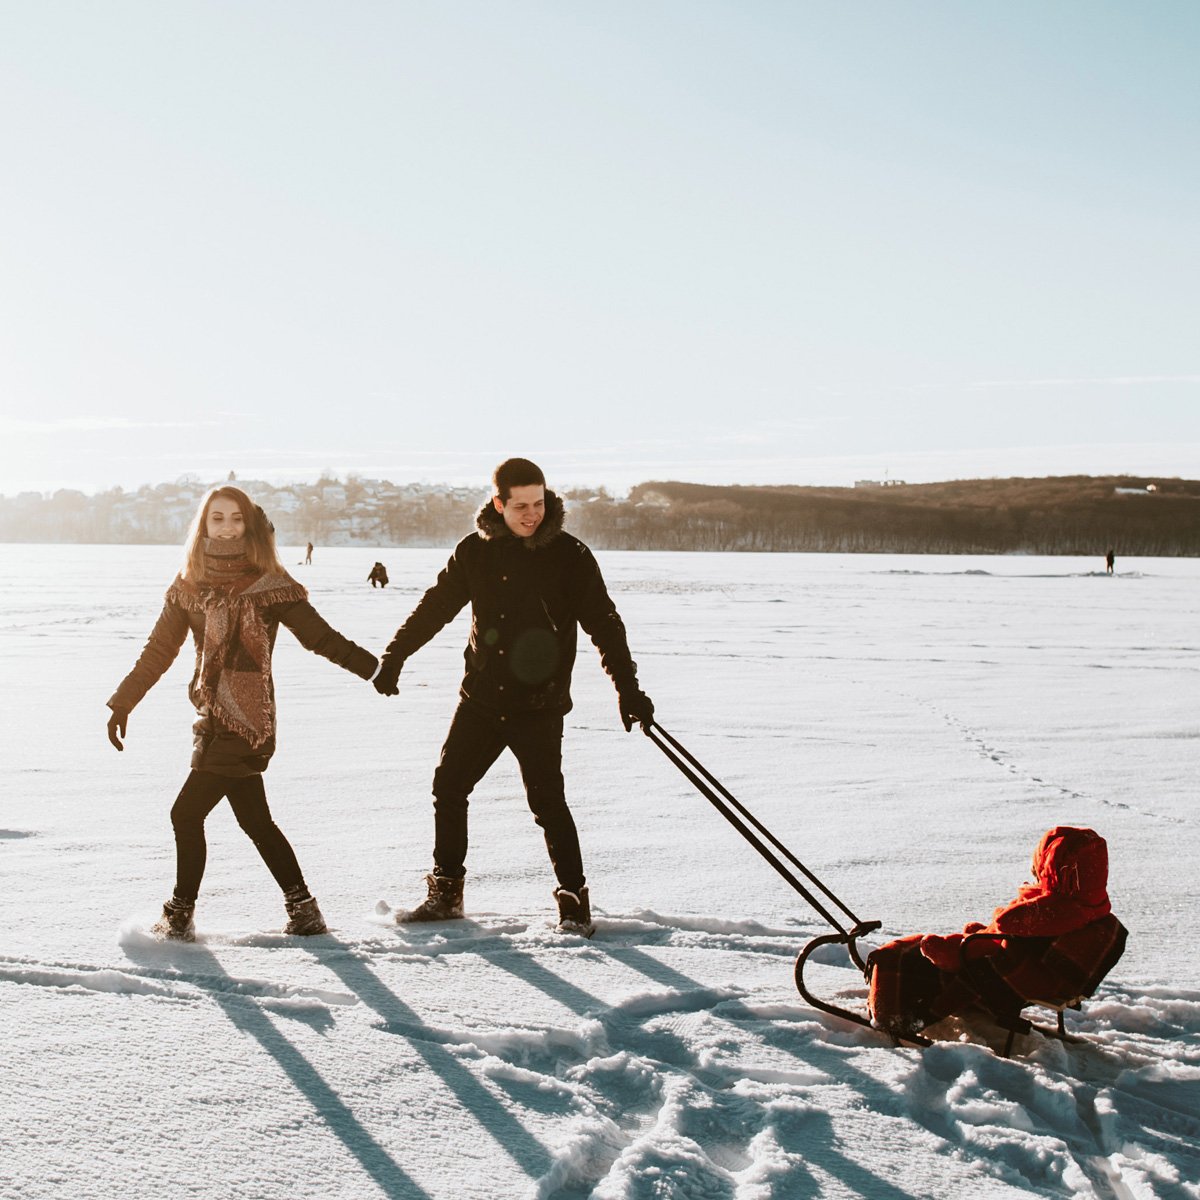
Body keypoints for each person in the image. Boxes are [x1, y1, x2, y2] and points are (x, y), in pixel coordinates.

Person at [373, 458, 654, 936]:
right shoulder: (474, 552)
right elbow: (435, 607)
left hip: (538, 705)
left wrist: (629, 689)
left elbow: (605, 625)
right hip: (480, 699)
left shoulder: (571, 555)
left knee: (548, 804)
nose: (531, 515)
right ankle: (445, 894)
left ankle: (574, 905)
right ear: (498, 503)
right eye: (520, 505)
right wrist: (395, 655)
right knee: (449, 786)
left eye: (539, 503)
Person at [107, 486, 377, 941]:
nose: (228, 526)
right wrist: (123, 700)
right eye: (218, 518)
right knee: (255, 821)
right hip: (212, 719)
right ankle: (303, 910)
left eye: (237, 518)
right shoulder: (189, 585)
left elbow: (319, 637)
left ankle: (178, 916)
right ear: (204, 525)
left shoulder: (270, 584)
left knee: (185, 815)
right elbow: (159, 650)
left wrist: (373, 667)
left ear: (249, 525)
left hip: (248, 721)